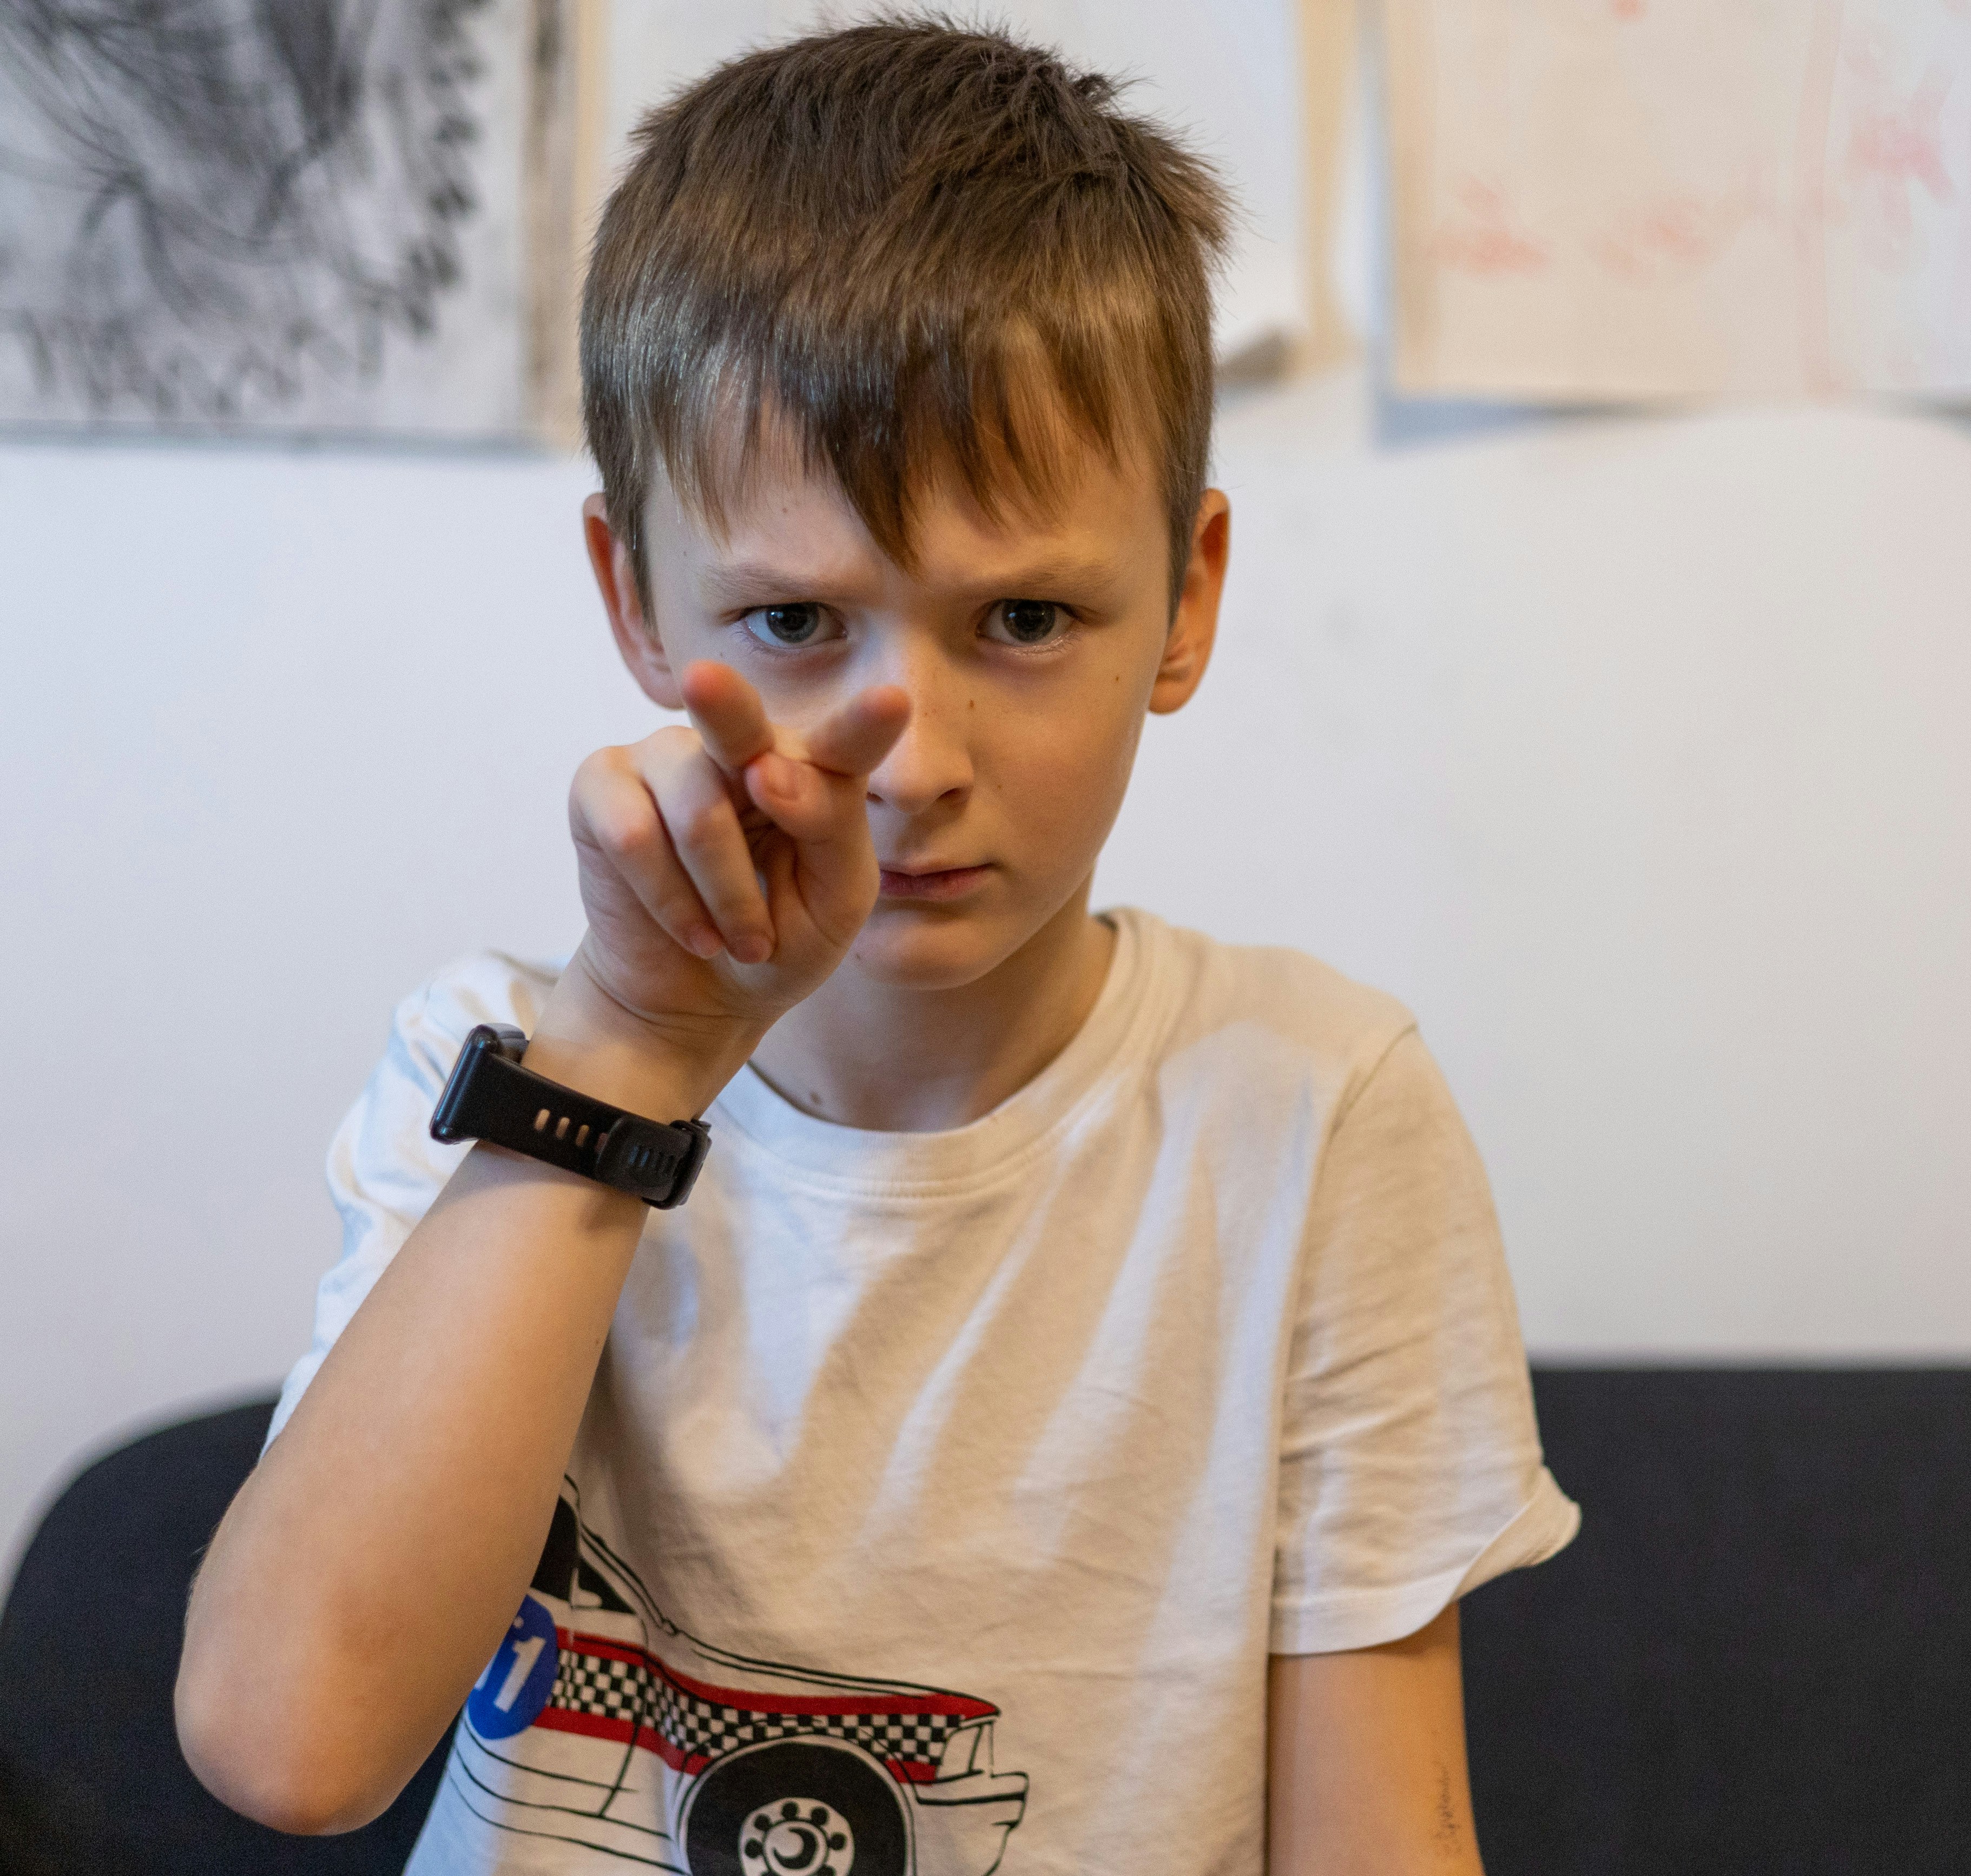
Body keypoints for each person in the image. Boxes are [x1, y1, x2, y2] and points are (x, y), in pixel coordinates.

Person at [174, 22, 1576, 1875]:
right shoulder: (510, 1065)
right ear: (630, 595)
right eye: (791, 616)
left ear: (1189, 596)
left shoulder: (1314, 1112)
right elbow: (289, 1743)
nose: (906, 756)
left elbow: (1380, 1838)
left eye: (1022, 614)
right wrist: (627, 1057)